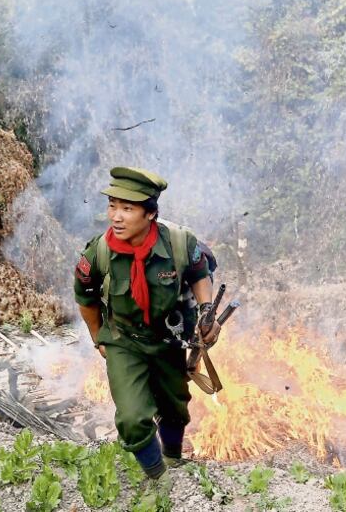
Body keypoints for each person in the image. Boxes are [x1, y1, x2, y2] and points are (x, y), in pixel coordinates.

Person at [73, 166, 220, 480]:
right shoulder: (99, 251)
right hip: (124, 340)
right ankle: (158, 479)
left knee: (175, 409)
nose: (116, 216)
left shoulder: (179, 244)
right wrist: (99, 338)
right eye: (112, 206)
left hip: (168, 340)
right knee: (132, 417)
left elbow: (199, 274)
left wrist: (207, 311)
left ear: (150, 214)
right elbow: (85, 299)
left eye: (127, 208)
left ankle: (173, 461)